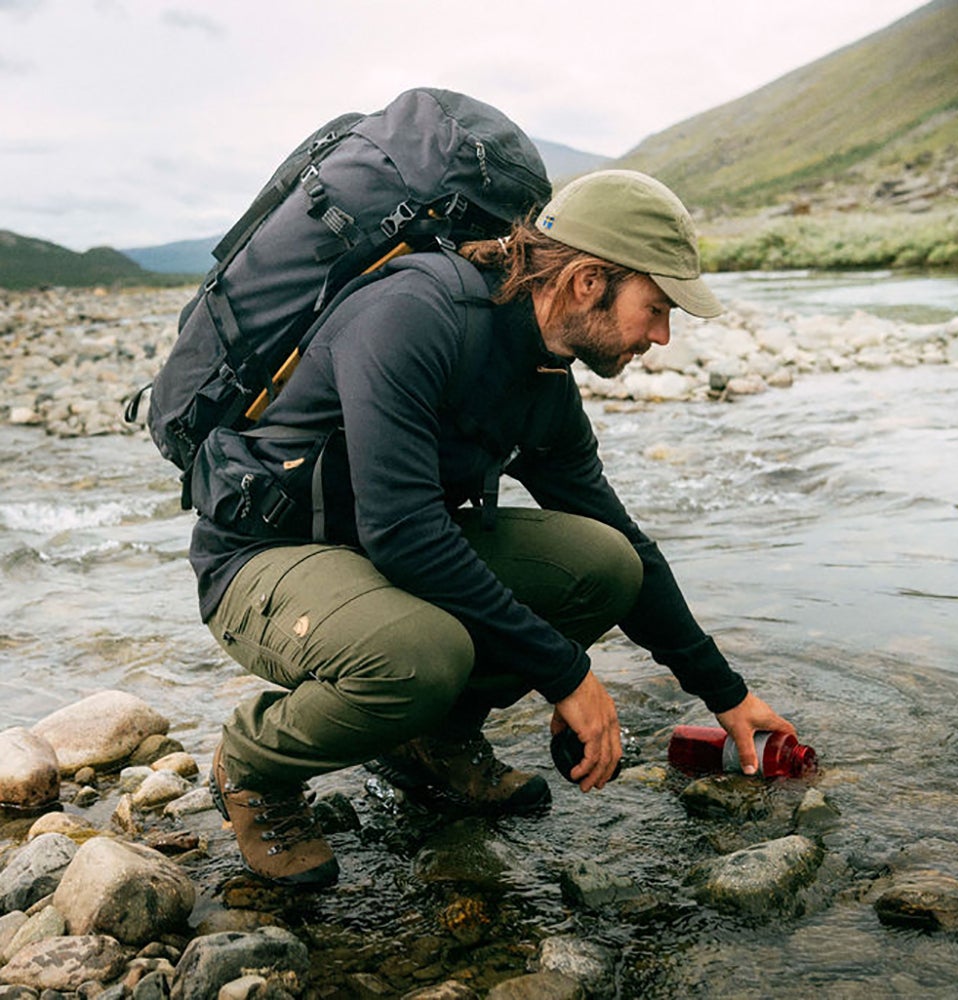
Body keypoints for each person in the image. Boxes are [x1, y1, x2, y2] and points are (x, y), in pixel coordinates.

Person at [193, 168, 797, 886]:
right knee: (421, 653)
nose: (662, 337)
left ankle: (434, 741)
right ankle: (255, 763)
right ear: (587, 282)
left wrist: (725, 694)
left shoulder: (544, 377)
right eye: (657, 307)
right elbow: (405, 532)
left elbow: (623, 538)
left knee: (605, 566)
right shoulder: (416, 313)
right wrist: (566, 673)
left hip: (382, 563)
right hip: (269, 558)